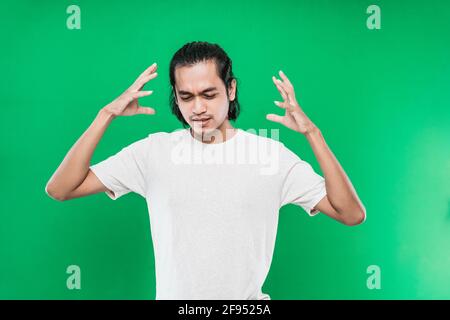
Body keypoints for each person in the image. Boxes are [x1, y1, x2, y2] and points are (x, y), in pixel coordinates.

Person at [45, 41, 366, 300]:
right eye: (186, 96)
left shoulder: (270, 155)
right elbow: (61, 189)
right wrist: (105, 115)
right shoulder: (153, 152)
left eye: (209, 94)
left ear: (231, 89)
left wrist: (313, 134)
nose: (197, 108)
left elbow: (351, 213)